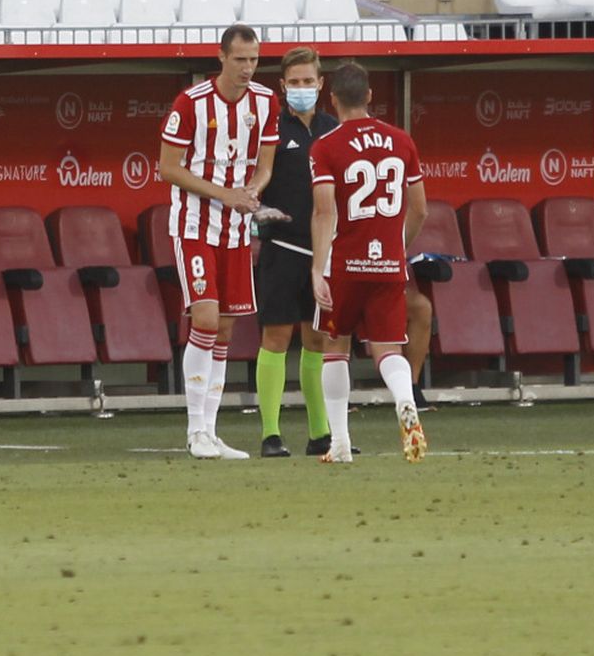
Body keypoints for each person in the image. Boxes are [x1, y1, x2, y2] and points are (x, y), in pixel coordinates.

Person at [158, 23, 279, 461]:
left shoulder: (266, 102)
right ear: (222, 57)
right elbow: (167, 168)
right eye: (241, 59)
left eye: (254, 60)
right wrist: (223, 193)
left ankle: (211, 430)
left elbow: (266, 164)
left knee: (226, 327)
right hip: (193, 225)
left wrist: (253, 190)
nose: (248, 68)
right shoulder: (190, 103)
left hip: (234, 230)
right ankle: (193, 431)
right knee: (205, 318)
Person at [309, 62, 430, 465]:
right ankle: (405, 402)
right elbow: (420, 210)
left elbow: (325, 213)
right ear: (369, 96)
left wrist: (316, 268)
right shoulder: (402, 141)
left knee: (334, 344)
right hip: (389, 264)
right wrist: (398, 247)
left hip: (344, 264)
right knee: (388, 348)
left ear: (332, 98)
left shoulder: (325, 146)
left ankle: (340, 443)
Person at [252, 46, 338, 459]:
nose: (302, 88)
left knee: (317, 339)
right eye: (295, 82)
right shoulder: (270, 129)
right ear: (281, 86)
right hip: (281, 247)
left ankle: (321, 433)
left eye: (309, 81)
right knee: (276, 337)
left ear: (321, 85)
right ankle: (271, 433)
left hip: (322, 252)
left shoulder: (333, 129)